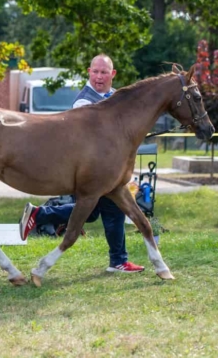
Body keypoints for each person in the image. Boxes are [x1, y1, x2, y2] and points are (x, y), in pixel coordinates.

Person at [19, 54, 145, 273]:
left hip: (108, 171)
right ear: (89, 72)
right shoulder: (84, 102)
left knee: (96, 212)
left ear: (112, 75)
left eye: (104, 72)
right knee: (109, 210)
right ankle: (118, 261)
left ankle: (39, 215)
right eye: (95, 71)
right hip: (89, 171)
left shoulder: (115, 97)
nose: (99, 76)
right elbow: (88, 142)